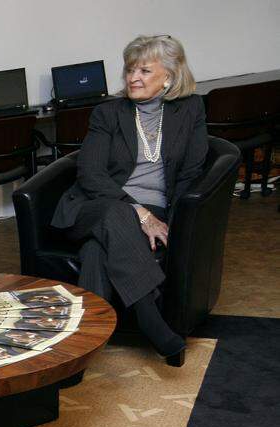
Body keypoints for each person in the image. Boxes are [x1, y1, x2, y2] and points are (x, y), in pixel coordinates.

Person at [51, 35, 207, 364]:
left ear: (169, 75)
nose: (133, 78)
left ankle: (80, 350)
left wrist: (174, 222)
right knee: (117, 213)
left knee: (96, 251)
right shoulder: (108, 113)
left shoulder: (190, 108)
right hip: (91, 207)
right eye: (129, 70)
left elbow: (191, 172)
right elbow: (90, 174)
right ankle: (151, 319)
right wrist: (137, 212)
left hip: (151, 209)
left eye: (144, 71)